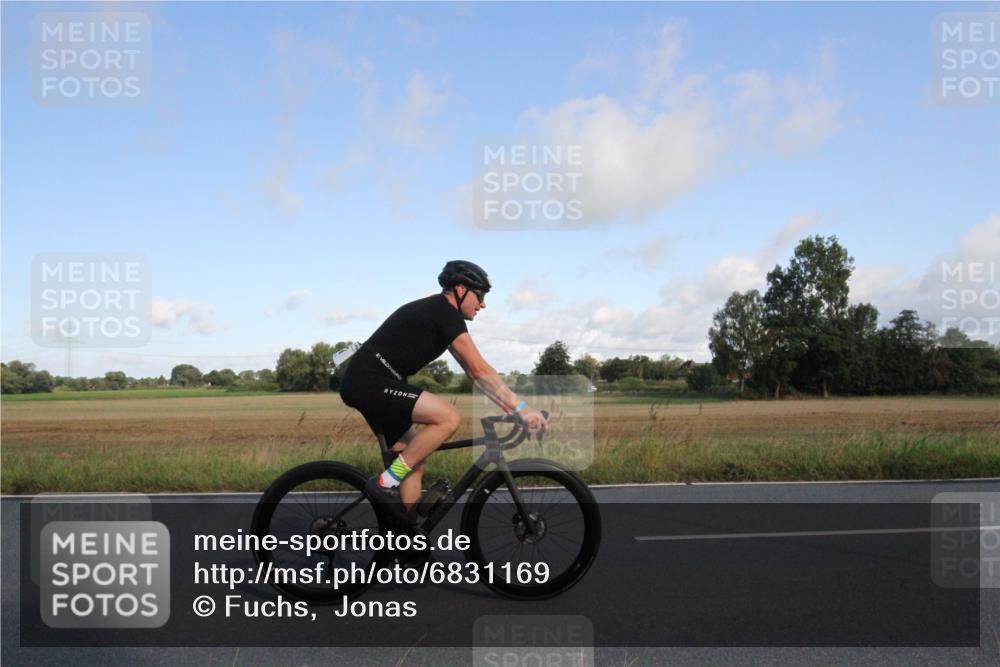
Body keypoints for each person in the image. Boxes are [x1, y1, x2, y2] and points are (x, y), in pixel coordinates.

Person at [338, 260, 548, 522]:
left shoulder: (442, 315)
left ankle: (406, 536)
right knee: (448, 417)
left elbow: (475, 373)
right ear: (460, 290)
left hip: (375, 381)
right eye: (480, 296)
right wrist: (520, 408)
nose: (482, 304)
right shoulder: (443, 311)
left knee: (413, 464)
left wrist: (513, 408)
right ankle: (386, 482)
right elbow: (480, 370)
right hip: (369, 381)